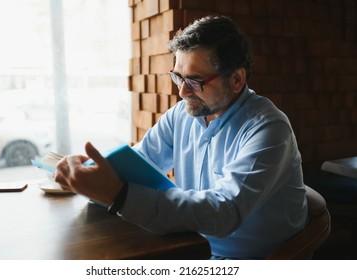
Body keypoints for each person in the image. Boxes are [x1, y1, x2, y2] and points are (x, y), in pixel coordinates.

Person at [55, 15, 308, 260]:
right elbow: (137, 165)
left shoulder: (268, 128)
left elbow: (225, 211)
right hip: (191, 247)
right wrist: (91, 175)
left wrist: (119, 195)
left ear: (237, 79)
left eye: (195, 81)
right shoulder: (181, 116)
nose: (182, 91)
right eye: (177, 77)